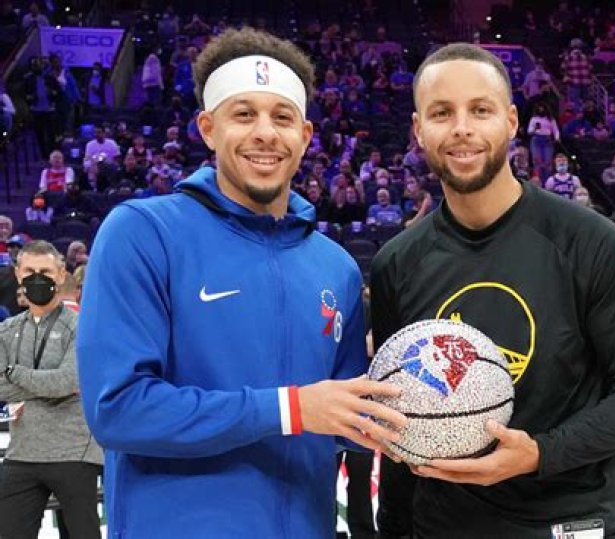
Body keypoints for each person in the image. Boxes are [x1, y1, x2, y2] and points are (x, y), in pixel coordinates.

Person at [76, 27, 406, 539]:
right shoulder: (143, 232)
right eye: (244, 114)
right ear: (208, 128)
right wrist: (290, 409)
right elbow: (118, 409)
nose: (265, 134)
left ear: (305, 136)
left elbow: (348, 422)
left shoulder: (336, 267)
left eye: (282, 117)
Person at [370, 42, 615, 538]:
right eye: (442, 113)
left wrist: (540, 453)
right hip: (444, 527)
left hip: (565, 520)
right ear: (419, 130)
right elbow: (397, 423)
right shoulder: (396, 264)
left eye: (480, 110)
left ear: (511, 121)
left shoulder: (591, 241)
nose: (462, 128)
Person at [0, 240, 103, 539]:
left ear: (60, 274)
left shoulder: (81, 326)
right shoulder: (6, 329)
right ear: (18, 274)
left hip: (74, 453)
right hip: (22, 453)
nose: (37, 278)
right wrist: (50, 385)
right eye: (29, 271)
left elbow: (67, 380)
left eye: (45, 271)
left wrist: (14, 372)